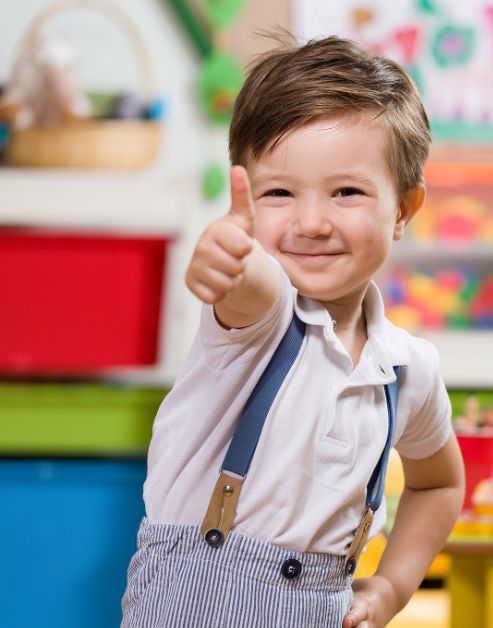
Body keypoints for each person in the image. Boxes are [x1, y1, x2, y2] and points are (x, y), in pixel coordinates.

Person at [120, 36, 464, 628]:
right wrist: (226, 256)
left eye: (347, 192)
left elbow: (439, 485)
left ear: (404, 209)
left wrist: (392, 587)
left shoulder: (409, 369)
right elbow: (249, 283)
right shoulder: (260, 320)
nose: (310, 223)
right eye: (278, 193)